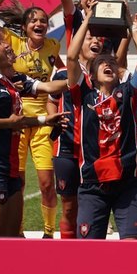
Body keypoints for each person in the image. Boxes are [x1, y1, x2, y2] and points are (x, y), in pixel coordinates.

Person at [0, 0, 63, 237]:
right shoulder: (11, 41)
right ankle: (19, 231)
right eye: (34, 20)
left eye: (44, 21)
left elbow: (54, 76)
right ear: (24, 27)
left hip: (43, 122)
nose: (39, 24)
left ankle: (49, 232)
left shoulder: (53, 47)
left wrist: (56, 97)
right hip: (16, 120)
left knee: (47, 183)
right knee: (19, 182)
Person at [0, 33, 67, 237]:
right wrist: (8, 123)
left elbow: (17, 120)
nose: (8, 45)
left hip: (9, 168)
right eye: (0, 43)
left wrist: (44, 120)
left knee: (12, 239)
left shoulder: (8, 82)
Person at [67, 5, 137, 239]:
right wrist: (87, 21)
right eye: (102, 64)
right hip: (93, 184)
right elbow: (73, 57)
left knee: (133, 244)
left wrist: (132, 27)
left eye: (112, 64)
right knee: (89, 246)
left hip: (128, 183)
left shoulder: (128, 93)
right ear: (92, 75)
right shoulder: (83, 95)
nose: (108, 65)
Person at [47, 30, 103, 239]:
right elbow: (51, 100)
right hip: (67, 148)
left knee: (91, 204)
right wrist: (55, 119)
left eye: (98, 39)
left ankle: (87, 248)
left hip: (93, 150)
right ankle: (68, 252)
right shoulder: (64, 74)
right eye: (90, 38)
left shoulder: (103, 73)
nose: (95, 41)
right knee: (69, 206)